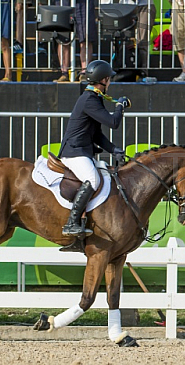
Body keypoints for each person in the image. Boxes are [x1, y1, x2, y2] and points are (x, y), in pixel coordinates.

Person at [58, 59, 128, 247]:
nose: (110, 82)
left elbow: (96, 134)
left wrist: (114, 150)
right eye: (109, 79)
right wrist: (119, 106)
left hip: (81, 150)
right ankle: (72, 223)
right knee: (94, 179)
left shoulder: (93, 98)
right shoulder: (89, 99)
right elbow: (113, 123)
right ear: (104, 80)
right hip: (74, 152)